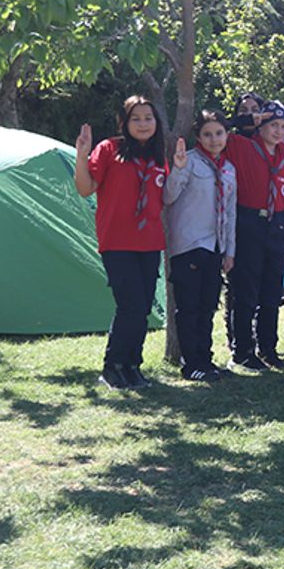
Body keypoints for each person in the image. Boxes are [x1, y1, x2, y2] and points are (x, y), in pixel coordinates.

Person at [73, 96, 170, 388]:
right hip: (117, 241)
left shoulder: (158, 157)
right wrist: (81, 156)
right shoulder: (109, 149)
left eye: (148, 118)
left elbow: (166, 197)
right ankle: (112, 367)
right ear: (124, 123)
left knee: (142, 309)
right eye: (135, 118)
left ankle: (132, 365)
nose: (143, 124)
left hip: (150, 242)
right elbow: (85, 188)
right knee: (130, 305)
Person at [163, 109, 237, 381]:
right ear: (198, 137)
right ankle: (190, 363)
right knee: (189, 307)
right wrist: (178, 169)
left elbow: (231, 212)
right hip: (189, 245)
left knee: (207, 308)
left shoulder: (229, 169)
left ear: (227, 135)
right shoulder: (190, 162)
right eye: (207, 134)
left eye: (219, 133)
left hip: (215, 246)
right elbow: (168, 196)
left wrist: (229, 251)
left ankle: (205, 360)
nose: (214, 139)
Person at [224, 100, 284, 370]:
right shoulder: (242, 146)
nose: (278, 131)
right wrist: (248, 120)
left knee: (271, 291)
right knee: (246, 290)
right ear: (260, 125)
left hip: (277, 225)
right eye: (273, 125)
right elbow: (215, 127)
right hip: (249, 222)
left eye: (283, 126)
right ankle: (242, 350)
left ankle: (268, 347)